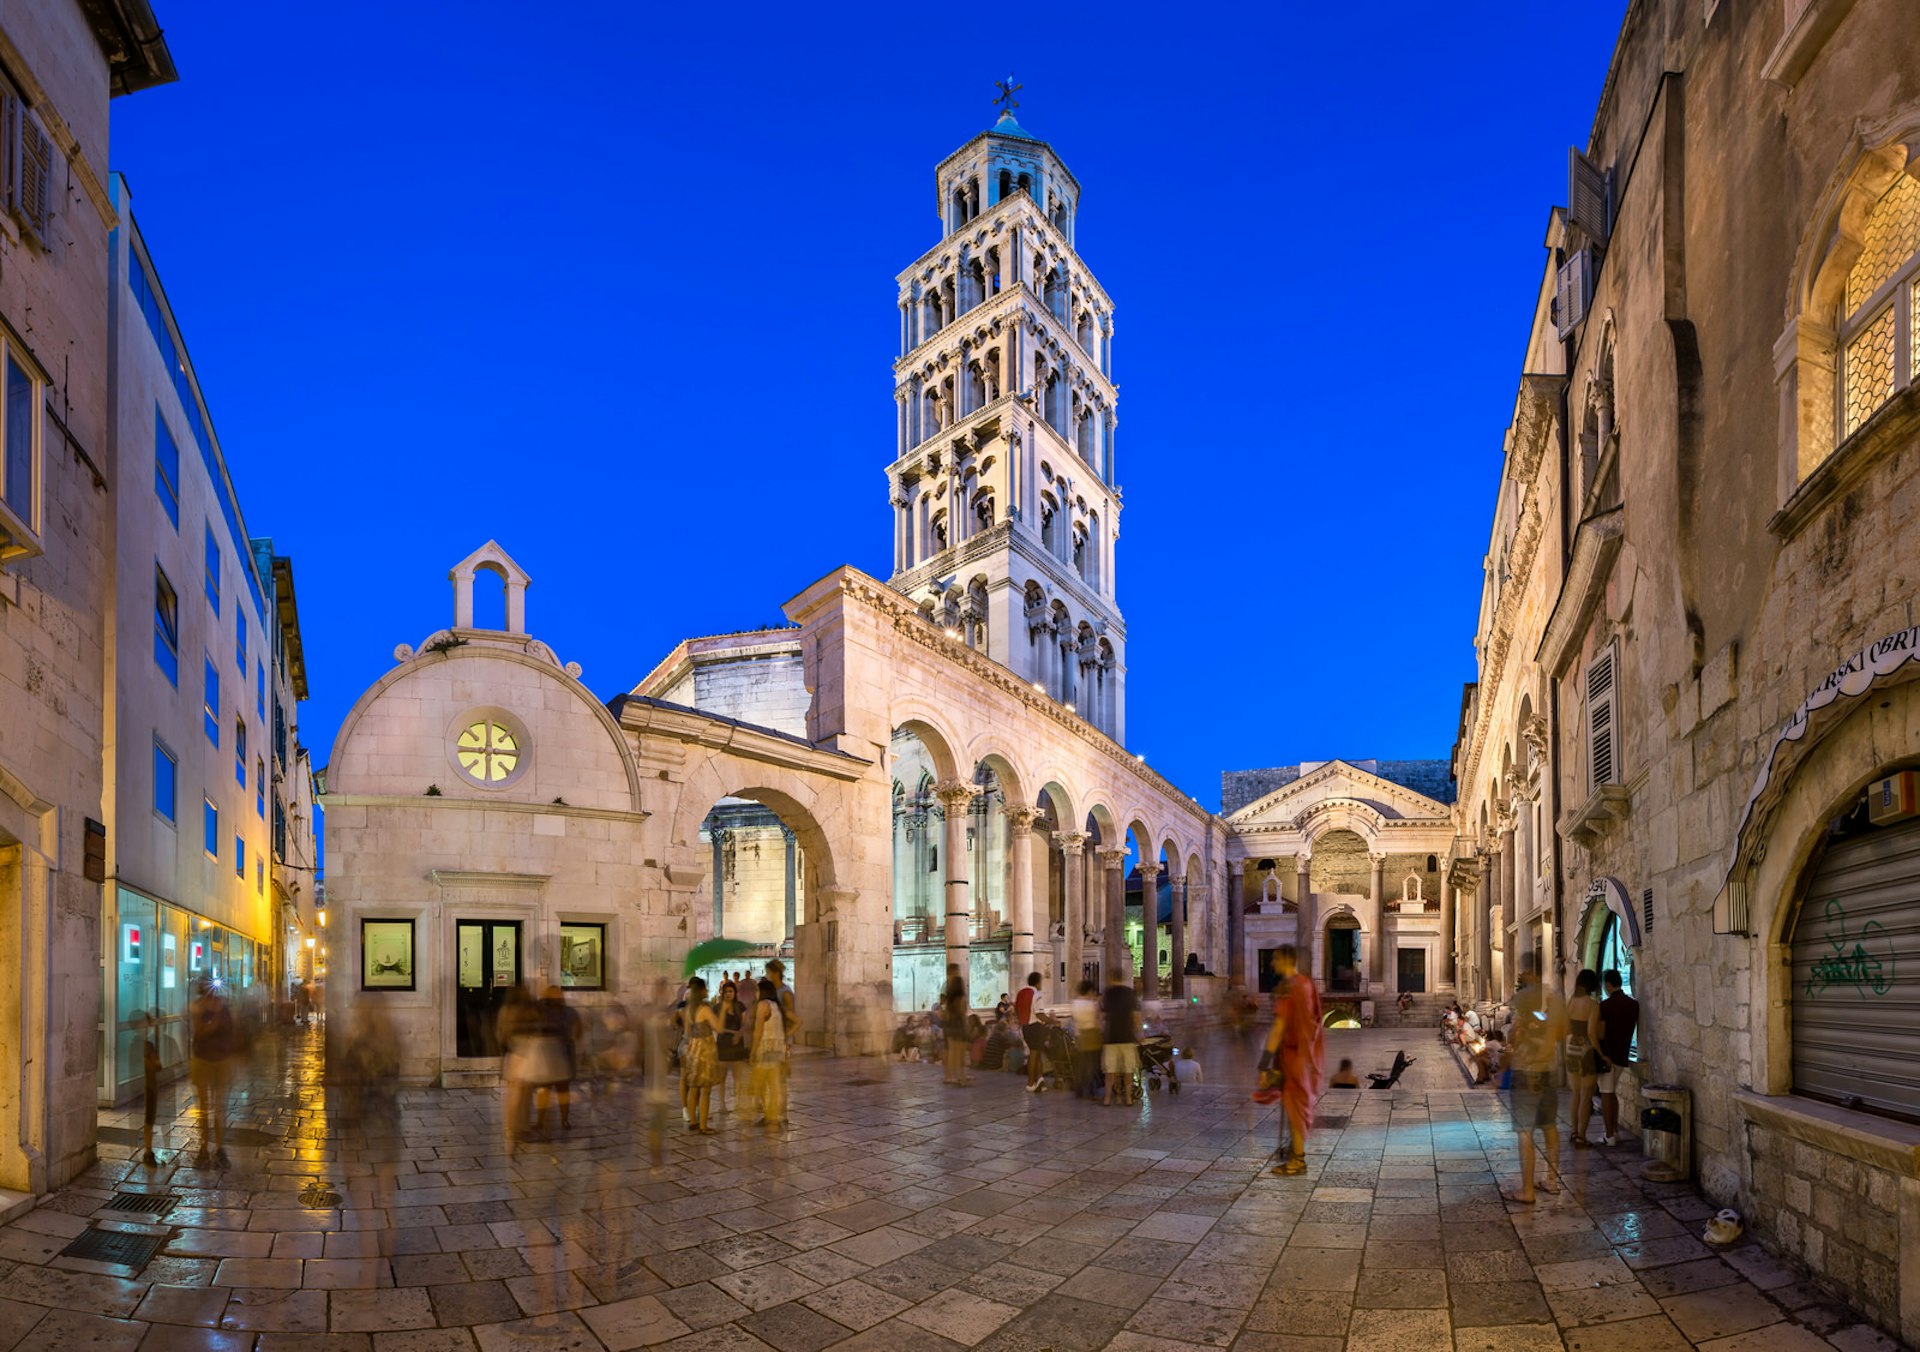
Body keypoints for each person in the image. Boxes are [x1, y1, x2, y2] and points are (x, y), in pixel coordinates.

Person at [1505, 956, 1568, 1204]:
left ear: (1528, 972)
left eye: (1521, 973)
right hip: (1548, 1070)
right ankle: (1551, 1181)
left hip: (1525, 1070)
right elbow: (1562, 1032)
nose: (1520, 977)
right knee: (1550, 1125)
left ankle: (1527, 1190)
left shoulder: (1522, 999)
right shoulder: (1556, 997)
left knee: (1525, 1130)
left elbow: (1513, 1037)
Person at [1258, 944, 1325, 1175]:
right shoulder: (1306, 983)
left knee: (1294, 1106)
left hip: (1292, 1054)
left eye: (1275, 959)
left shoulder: (1288, 988)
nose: (1271, 963)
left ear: (1286, 959)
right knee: (1293, 1104)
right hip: (1305, 1054)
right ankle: (1295, 1150)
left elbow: (1278, 1027)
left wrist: (1263, 1063)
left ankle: (1298, 1160)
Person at [187, 979, 236, 1169]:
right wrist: (214, 1018)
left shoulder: (223, 1006)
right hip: (203, 1059)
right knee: (204, 1107)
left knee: (219, 1107)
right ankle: (204, 1147)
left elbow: (232, 1030)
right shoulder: (198, 1007)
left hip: (221, 1060)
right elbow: (199, 1030)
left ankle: (220, 1148)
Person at [1596, 968, 1639, 1147]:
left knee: (1606, 1094)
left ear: (1607, 984)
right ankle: (1615, 1131)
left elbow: (1600, 1032)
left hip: (1608, 1057)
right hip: (1623, 1055)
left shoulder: (1604, 1006)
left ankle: (1609, 1135)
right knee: (1612, 1093)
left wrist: (1601, 1053)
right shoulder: (1633, 1005)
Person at [532, 985, 582, 1134]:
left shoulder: (540, 1010)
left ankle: (541, 1121)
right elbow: (578, 1031)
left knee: (546, 1090)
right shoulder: (568, 1012)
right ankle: (563, 1120)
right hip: (562, 1054)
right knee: (561, 1090)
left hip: (548, 1055)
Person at [1565, 969, 1604, 1147]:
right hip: (1586, 1052)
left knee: (1575, 1094)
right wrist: (1603, 1055)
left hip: (1571, 1049)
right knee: (1586, 1095)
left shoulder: (1571, 1001)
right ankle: (1582, 1136)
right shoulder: (1593, 1005)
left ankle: (1574, 1131)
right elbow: (1591, 1033)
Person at [679, 976, 720, 1134]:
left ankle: (694, 1122)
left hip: (692, 1047)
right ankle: (703, 1126)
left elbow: (688, 1033)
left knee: (694, 1087)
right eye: (705, 988)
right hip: (705, 1047)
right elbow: (718, 1027)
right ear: (701, 990)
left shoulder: (688, 1009)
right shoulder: (705, 1009)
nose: (707, 991)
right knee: (705, 1089)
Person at [752, 976, 790, 1130]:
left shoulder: (763, 1005)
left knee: (761, 1084)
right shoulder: (776, 1006)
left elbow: (758, 1030)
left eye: (756, 990)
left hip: (766, 1049)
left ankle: (772, 1118)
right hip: (778, 1049)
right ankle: (772, 1117)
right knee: (773, 1085)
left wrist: (753, 1051)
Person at [1100, 975, 1140, 1107]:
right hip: (1127, 1037)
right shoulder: (1130, 993)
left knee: (1110, 1070)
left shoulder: (1108, 993)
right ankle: (1128, 1098)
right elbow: (1136, 1016)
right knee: (1128, 1069)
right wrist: (1139, 1032)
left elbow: (1103, 1015)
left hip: (1111, 1037)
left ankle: (1107, 1098)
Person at [715, 980, 751, 1115]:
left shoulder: (739, 1006)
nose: (728, 994)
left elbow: (745, 1023)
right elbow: (717, 1026)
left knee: (738, 1076)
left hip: (737, 1044)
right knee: (722, 1076)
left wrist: (739, 1034)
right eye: (726, 992)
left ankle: (738, 1102)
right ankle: (722, 1104)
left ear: (735, 993)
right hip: (723, 1044)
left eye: (731, 991)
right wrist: (733, 1033)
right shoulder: (718, 1008)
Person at [140, 1011, 166, 1166]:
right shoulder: (148, 1045)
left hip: (147, 1085)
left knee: (148, 1119)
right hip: (149, 1085)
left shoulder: (139, 1042)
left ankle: (148, 1150)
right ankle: (148, 1151)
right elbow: (157, 1066)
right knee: (149, 1119)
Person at [1016, 972, 1048, 1094]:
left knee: (1036, 1053)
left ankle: (1040, 1079)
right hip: (1035, 1026)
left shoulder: (1021, 993)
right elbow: (1039, 1013)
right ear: (1038, 982)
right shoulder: (1036, 994)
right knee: (1034, 1054)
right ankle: (1030, 1083)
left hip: (1024, 1026)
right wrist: (1053, 1021)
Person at [942, 963, 973, 1087]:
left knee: (951, 1049)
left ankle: (951, 1076)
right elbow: (960, 1002)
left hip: (950, 1020)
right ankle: (960, 1076)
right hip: (957, 1020)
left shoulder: (947, 985)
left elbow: (944, 1001)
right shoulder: (957, 983)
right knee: (958, 1049)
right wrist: (963, 1017)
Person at [1071, 979, 1102, 1097]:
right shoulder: (1092, 1004)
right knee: (1091, 1064)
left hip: (1079, 1034)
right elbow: (1096, 1021)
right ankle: (1091, 1089)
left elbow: (1074, 1019)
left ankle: (1078, 1088)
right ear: (1089, 991)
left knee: (1081, 1063)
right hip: (1091, 1034)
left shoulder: (1075, 1003)